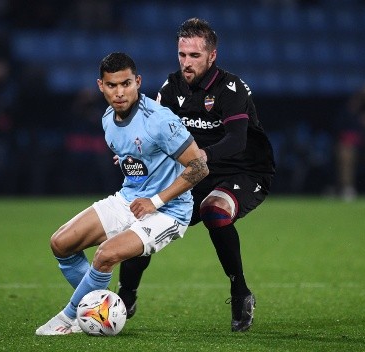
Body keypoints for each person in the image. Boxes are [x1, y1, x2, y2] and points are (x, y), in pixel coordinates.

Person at [117, 18, 275, 332]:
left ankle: (239, 291)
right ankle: (125, 295)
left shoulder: (232, 88)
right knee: (145, 217)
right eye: (182, 55)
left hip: (244, 171)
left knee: (214, 211)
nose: (186, 63)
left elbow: (236, 140)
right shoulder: (171, 87)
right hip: (197, 173)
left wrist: (202, 154)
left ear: (211, 56)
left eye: (194, 56)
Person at [35, 52, 208, 335]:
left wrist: (155, 201)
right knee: (61, 243)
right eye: (112, 85)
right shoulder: (107, 120)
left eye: (126, 84)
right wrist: (131, 161)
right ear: (100, 86)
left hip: (169, 211)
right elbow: (138, 157)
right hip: (129, 199)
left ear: (138, 82)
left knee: (105, 256)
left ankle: (68, 320)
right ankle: (100, 310)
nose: (119, 92)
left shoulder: (160, 119)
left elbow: (199, 167)